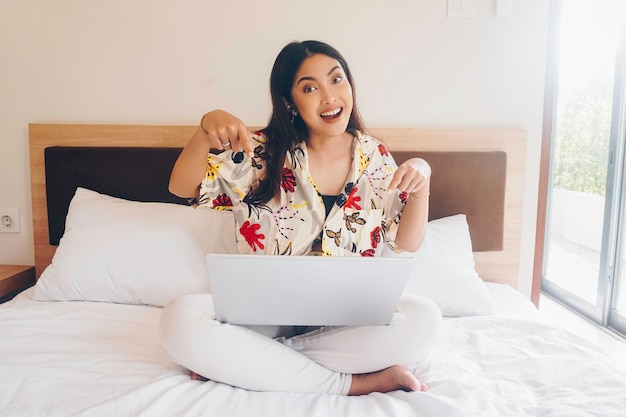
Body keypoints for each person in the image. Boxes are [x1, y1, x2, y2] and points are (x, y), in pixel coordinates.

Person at [159, 40, 442, 396]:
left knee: (425, 320)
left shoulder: (375, 155)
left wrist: (423, 178)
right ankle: (349, 383)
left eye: (337, 80)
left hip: (344, 324)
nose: (329, 96)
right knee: (179, 320)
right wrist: (204, 130)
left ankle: (251, 363)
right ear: (290, 102)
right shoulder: (259, 151)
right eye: (310, 87)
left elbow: (406, 243)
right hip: (260, 320)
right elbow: (180, 186)